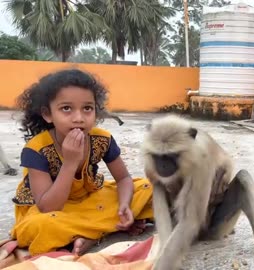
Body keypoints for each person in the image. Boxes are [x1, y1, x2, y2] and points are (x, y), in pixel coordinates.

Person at [9, 68, 154, 256]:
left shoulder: (102, 139)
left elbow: (124, 179)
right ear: (48, 114)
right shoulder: (36, 150)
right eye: (66, 108)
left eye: (87, 108)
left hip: (90, 199)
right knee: (39, 227)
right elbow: (48, 207)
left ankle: (89, 231)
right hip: (52, 209)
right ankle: (98, 233)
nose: (79, 118)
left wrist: (124, 205)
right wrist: (69, 163)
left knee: (147, 188)